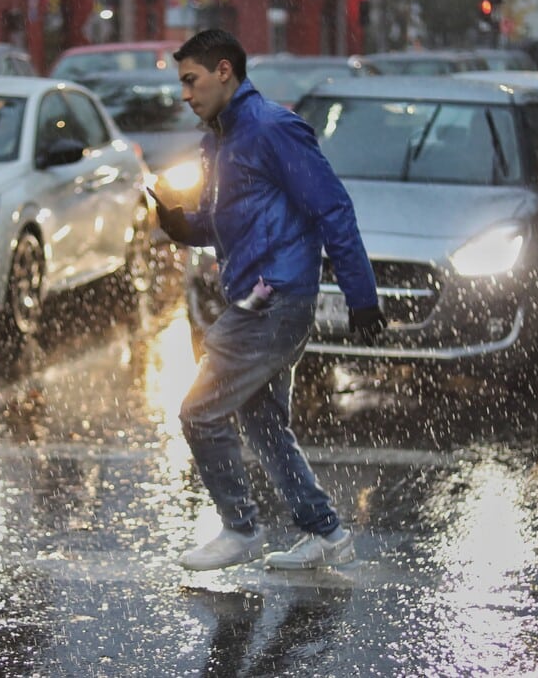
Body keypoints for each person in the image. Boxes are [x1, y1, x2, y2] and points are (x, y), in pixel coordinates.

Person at [153, 29, 386, 572]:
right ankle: (326, 532)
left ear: (225, 71)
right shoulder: (223, 139)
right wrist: (177, 223)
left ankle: (240, 528)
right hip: (258, 296)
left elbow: (333, 209)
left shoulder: (271, 128)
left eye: (192, 80)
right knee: (262, 423)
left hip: (274, 299)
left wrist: (362, 298)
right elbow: (226, 223)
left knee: (199, 413)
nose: (185, 94)